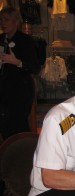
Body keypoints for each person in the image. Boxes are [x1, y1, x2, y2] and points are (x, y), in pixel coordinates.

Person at [0, 7, 40, 139]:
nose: (3, 23)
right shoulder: (0, 39)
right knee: (4, 126)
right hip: (3, 89)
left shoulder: (26, 41)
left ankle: (22, 152)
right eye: (1, 20)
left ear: (16, 21)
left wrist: (17, 62)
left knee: (18, 125)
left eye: (6, 19)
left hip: (20, 90)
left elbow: (34, 67)